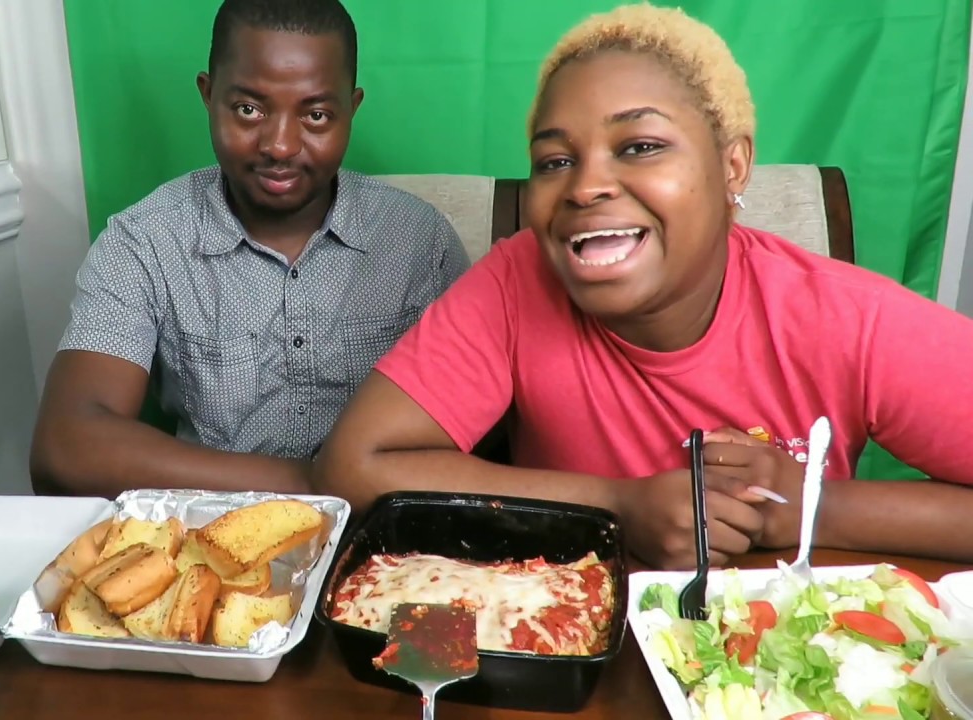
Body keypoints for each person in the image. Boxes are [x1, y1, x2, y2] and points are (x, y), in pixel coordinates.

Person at [312, 4, 973, 569]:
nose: (586, 185)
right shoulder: (518, 280)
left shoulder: (839, 315)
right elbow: (353, 467)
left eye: (641, 146)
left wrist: (810, 509)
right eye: (556, 161)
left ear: (732, 165)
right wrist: (618, 505)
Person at [31, 0, 470, 498]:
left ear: (352, 108)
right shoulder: (146, 241)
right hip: (214, 540)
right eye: (248, 109)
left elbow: (484, 432)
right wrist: (322, 484)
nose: (280, 145)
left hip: (391, 550)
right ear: (207, 93)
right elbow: (64, 447)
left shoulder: (420, 241)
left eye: (318, 115)